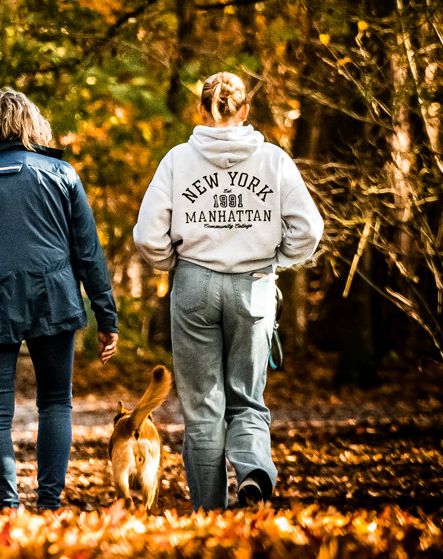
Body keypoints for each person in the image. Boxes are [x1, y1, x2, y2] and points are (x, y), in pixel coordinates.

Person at [133, 72, 323, 510]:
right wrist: (277, 259)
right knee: (247, 399)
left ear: (201, 109)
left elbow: (147, 236)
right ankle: (253, 473)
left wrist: (174, 263)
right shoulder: (273, 160)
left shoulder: (178, 160)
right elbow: (309, 229)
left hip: (194, 286)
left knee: (203, 408)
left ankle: (209, 513)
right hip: (254, 286)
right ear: (245, 110)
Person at [0, 87, 119, 513]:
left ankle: (8, 508)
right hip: (54, 297)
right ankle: (49, 504)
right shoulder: (62, 174)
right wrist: (106, 316)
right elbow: (88, 253)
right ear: (33, 125)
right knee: (55, 402)